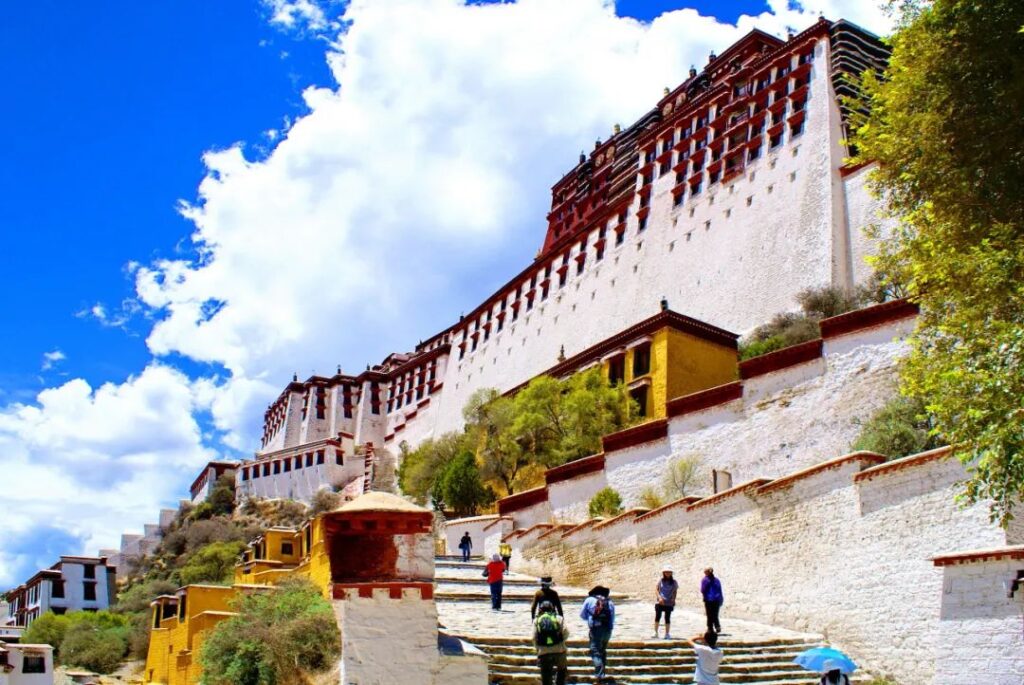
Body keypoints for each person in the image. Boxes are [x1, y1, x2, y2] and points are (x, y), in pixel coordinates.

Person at [579, 585, 615, 683]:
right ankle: (602, 675)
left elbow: (582, 615)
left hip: (596, 629)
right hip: (608, 630)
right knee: (602, 651)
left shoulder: (589, 600)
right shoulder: (610, 602)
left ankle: (599, 676)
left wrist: (591, 618)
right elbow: (613, 618)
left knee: (594, 651)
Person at [533, 600, 569, 685]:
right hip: (559, 650)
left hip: (543, 651)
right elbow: (566, 632)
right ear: (552, 608)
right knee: (561, 670)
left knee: (546, 674)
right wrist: (561, 642)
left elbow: (533, 637)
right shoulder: (559, 618)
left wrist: (537, 648)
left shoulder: (537, 620)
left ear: (541, 609)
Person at [653, 566, 679, 639]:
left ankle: (667, 633)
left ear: (671, 573)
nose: (668, 573)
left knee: (667, 617)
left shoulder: (674, 582)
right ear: (664, 573)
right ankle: (655, 632)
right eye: (666, 572)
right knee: (658, 616)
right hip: (660, 601)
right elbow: (656, 589)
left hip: (669, 602)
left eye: (669, 572)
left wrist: (674, 599)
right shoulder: (660, 580)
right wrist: (659, 597)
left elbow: (675, 591)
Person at [700, 567, 723, 634]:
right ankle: (717, 626)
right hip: (715, 599)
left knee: (710, 614)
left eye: (705, 572)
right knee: (714, 614)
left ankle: (710, 628)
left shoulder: (705, 580)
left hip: (709, 599)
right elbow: (719, 590)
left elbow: (702, 590)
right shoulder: (717, 580)